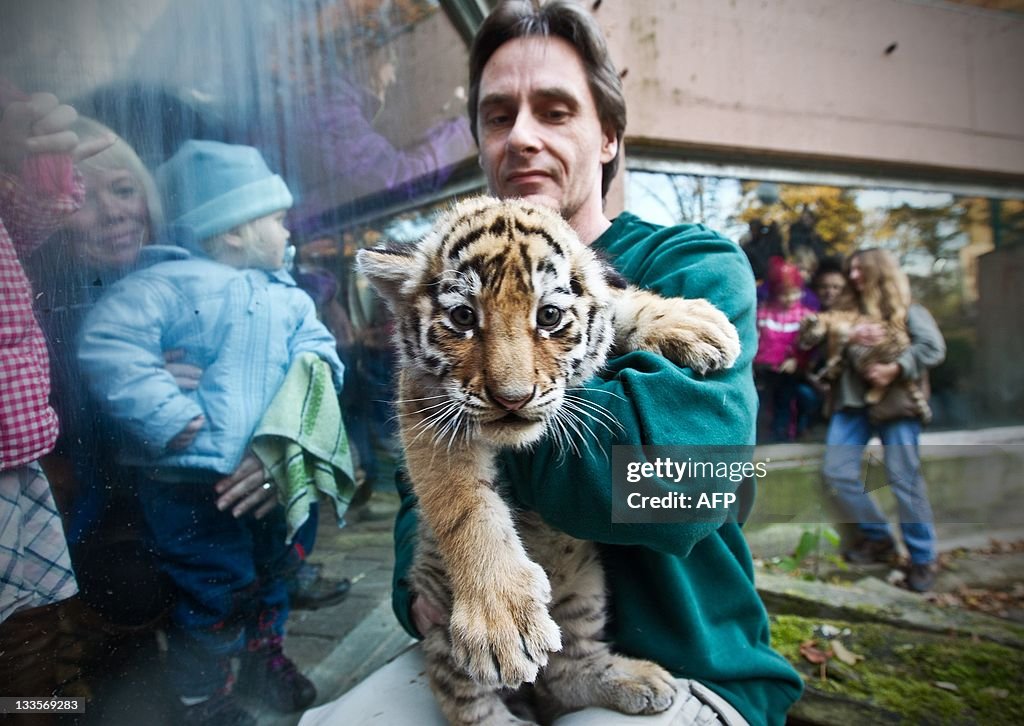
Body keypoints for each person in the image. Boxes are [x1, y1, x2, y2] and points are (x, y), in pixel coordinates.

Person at [309, 2, 803, 724]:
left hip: (692, 668)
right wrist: (429, 578)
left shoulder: (694, 266)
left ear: (607, 135)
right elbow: (417, 499)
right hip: (486, 651)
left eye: (555, 110)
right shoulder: (443, 276)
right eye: (498, 115)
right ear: (479, 142)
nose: (523, 137)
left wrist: (449, 422)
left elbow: (683, 491)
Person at [76, 140, 347, 724]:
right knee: (211, 593)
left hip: (268, 478)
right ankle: (205, 696)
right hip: (188, 483)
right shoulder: (167, 285)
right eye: (276, 220)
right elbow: (109, 345)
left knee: (276, 574)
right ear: (231, 232)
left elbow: (322, 360)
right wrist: (167, 416)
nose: (287, 231)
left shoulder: (291, 298)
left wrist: (298, 439)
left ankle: (262, 657)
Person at [0, 88, 112, 718]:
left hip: (20, 448)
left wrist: (33, 173)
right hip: (19, 445)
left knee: (32, 631)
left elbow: (14, 231)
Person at [822, 248, 946, 593]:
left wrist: (896, 367)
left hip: (895, 403)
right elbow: (820, 340)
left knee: (904, 478)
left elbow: (933, 348)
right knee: (837, 471)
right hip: (852, 404)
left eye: (860, 269)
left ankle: (922, 559)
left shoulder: (910, 311)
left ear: (880, 270)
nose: (854, 276)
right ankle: (880, 539)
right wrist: (847, 336)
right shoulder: (845, 313)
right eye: (852, 269)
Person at [754, 257, 819, 442]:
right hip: (764, 370)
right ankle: (761, 437)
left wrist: (796, 360)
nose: (790, 298)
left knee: (786, 403)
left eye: (795, 293)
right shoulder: (764, 313)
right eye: (784, 294)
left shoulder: (805, 316)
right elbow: (756, 337)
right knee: (763, 403)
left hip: (788, 371)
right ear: (775, 293)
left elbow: (808, 344)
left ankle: (782, 436)